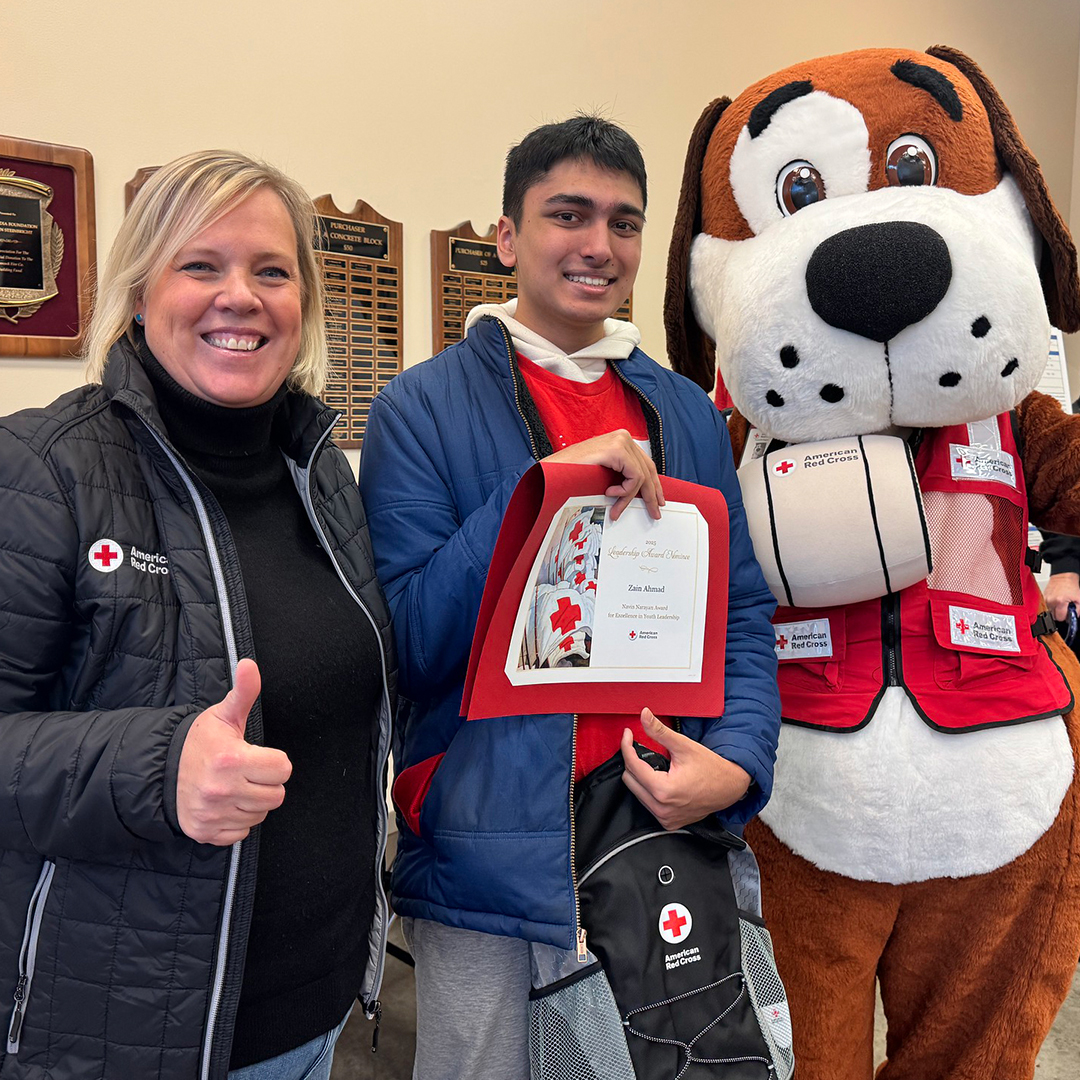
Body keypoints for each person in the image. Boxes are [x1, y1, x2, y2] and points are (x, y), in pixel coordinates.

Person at [359, 116, 780, 1079]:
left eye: (624, 224)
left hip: (660, 826)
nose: (599, 245)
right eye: (568, 214)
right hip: (492, 864)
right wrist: (543, 489)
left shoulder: (682, 410)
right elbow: (410, 642)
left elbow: (743, 614)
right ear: (507, 238)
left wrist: (739, 766)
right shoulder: (418, 409)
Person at [0, 150, 395, 1080]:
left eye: (271, 270)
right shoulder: (41, 470)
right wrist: (156, 765)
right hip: (127, 1034)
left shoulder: (321, 472)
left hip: (317, 1009)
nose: (240, 297)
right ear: (140, 293)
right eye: (200, 265)